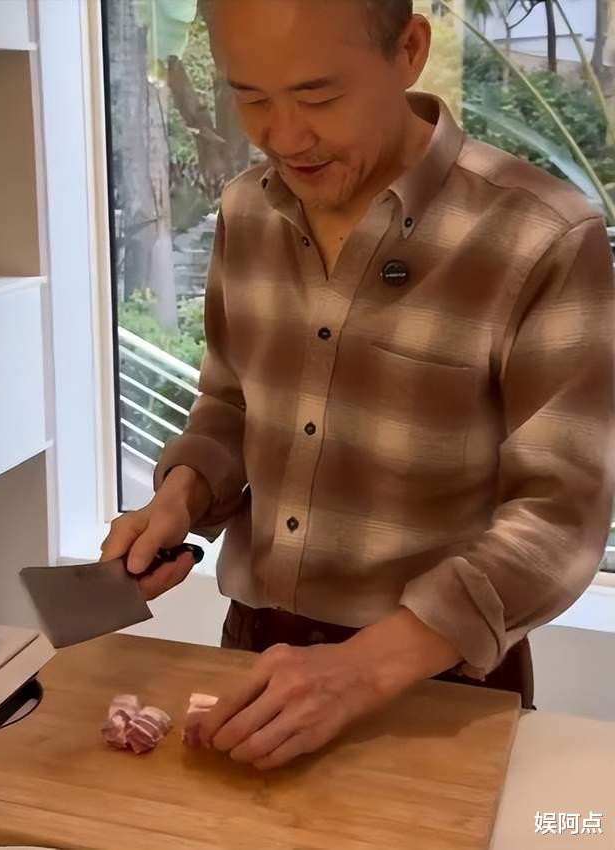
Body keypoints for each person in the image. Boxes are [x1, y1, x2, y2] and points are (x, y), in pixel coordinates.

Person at [102, 0, 614, 770]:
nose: (283, 136)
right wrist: (180, 497)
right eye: (251, 96)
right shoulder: (245, 209)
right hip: (253, 655)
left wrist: (361, 671)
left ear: (408, 49)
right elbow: (232, 403)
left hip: (442, 686)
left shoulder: (542, 237)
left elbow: (559, 518)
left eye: (318, 96)